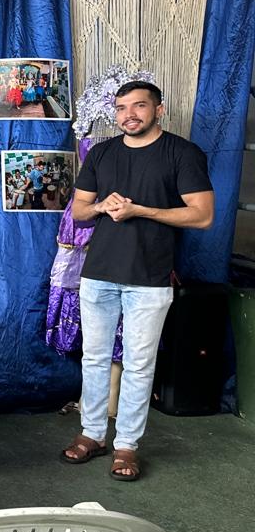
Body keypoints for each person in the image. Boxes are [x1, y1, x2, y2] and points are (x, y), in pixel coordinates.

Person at [63, 80, 214, 481]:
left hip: (149, 278)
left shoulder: (182, 153)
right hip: (98, 274)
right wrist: (101, 206)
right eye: (121, 108)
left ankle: (127, 445)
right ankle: (92, 434)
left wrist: (141, 210)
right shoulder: (102, 153)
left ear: (158, 109)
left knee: (139, 364)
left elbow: (202, 215)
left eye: (139, 106)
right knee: (94, 358)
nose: (128, 115)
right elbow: (79, 212)